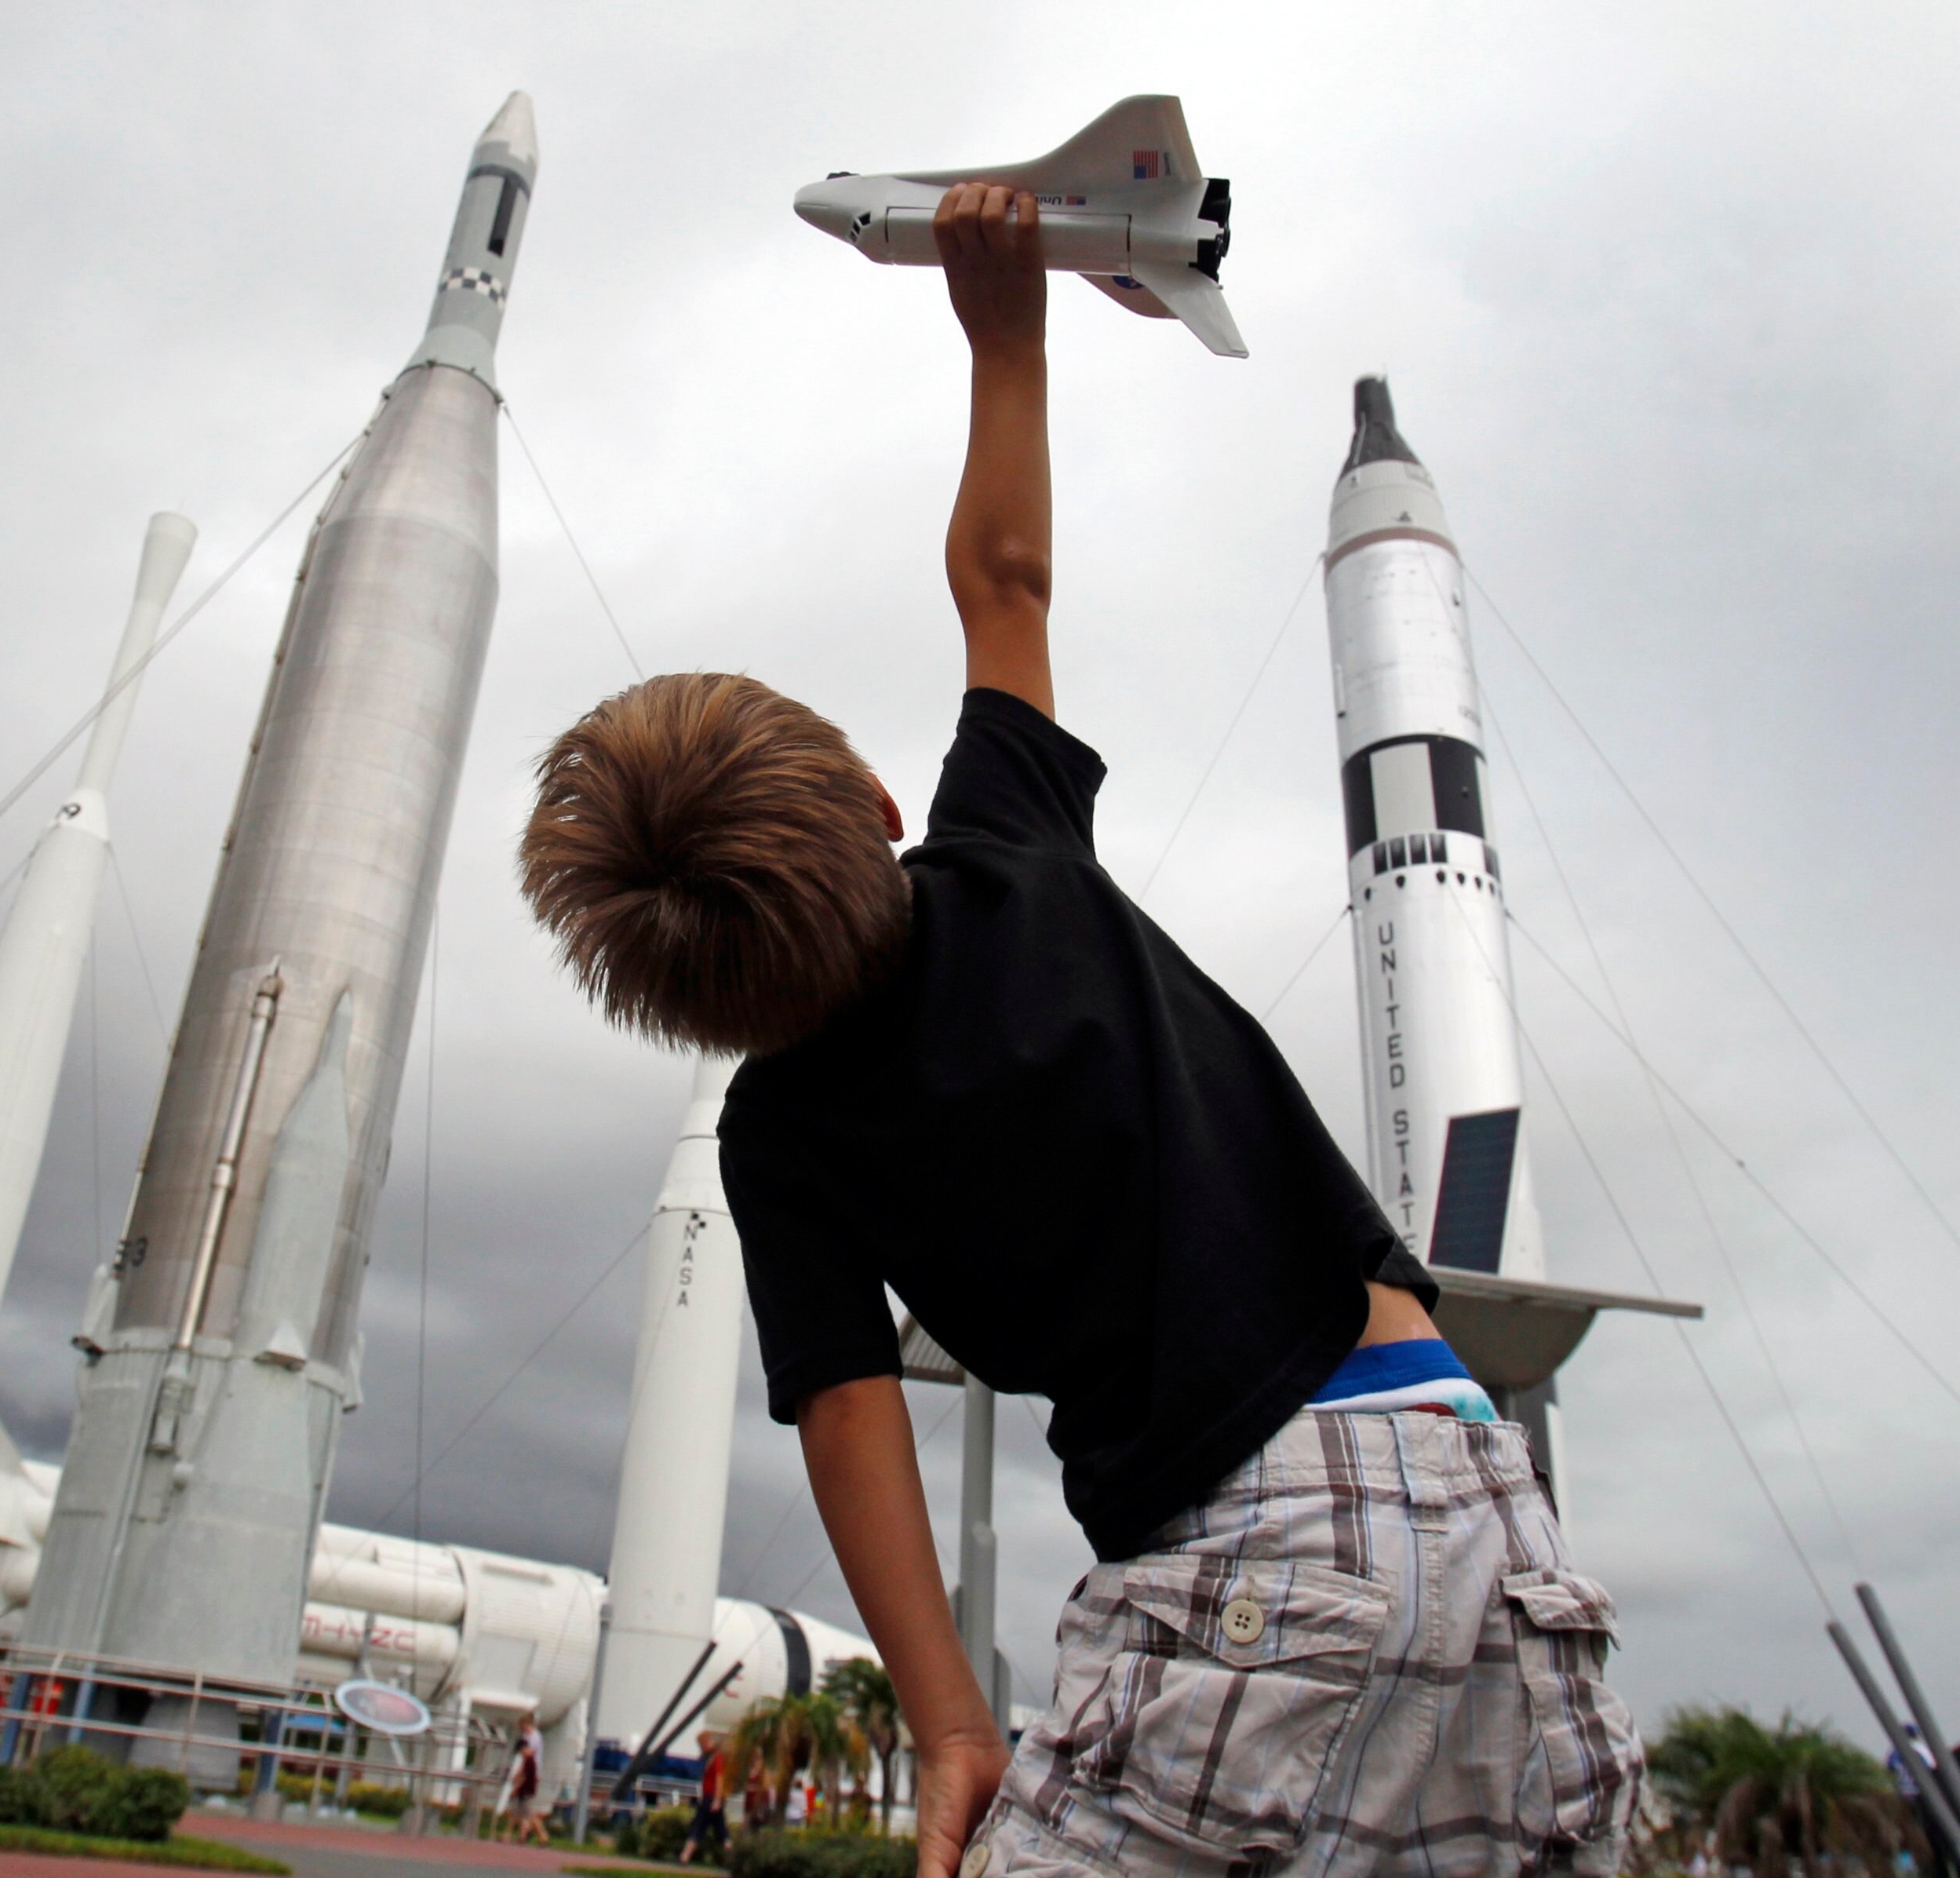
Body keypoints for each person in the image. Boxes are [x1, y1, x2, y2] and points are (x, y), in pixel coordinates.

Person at [516, 181, 1644, 1878]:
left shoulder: (780, 1132)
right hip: (1474, 1484)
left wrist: (953, 1713)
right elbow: (1006, 577)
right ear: (882, 796)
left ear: (672, 999)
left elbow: (846, 1408)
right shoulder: (1004, 844)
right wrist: (1006, 330)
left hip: (1252, 1548)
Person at [680, 1731, 730, 1864]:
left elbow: (719, 1779)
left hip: (712, 1798)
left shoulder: (717, 1758)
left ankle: (685, 1857)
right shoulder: (710, 1758)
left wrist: (717, 1800)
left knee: (700, 1827)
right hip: (709, 1797)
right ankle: (732, 1857)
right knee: (720, 1830)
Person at [506, 1710, 550, 1844]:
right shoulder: (529, 1737)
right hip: (528, 1778)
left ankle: (542, 1836)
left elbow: (527, 1763)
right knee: (520, 1810)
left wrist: (517, 1781)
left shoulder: (534, 1739)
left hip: (529, 1779)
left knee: (527, 1811)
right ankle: (523, 1834)